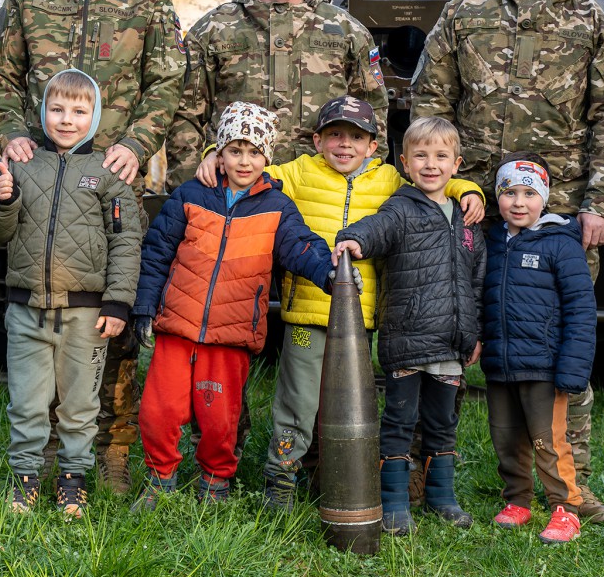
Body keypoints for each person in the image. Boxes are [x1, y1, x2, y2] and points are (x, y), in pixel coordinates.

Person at [411, 0, 604, 522]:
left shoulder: (594, 25)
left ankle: (571, 485)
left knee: (560, 348)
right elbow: (430, 103)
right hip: (469, 211)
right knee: (443, 338)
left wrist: (600, 202)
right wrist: (445, 186)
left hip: (556, 220)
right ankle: (429, 469)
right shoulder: (465, 14)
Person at [0, 0, 185, 494]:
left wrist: (137, 144)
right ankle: (39, 451)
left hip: (112, 174)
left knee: (107, 316)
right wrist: (12, 133)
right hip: (40, 172)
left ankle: (109, 446)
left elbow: (167, 80)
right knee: (40, 305)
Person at [190, 96, 484, 510]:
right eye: (335, 135)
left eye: (356, 137)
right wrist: (212, 154)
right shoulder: (298, 172)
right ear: (317, 140)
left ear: (373, 147)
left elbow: (433, 183)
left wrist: (467, 188)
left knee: (349, 407)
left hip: (359, 320)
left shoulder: (388, 180)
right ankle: (281, 477)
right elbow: (248, 166)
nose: (345, 144)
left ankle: (339, 476)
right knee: (297, 402)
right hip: (307, 313)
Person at [130, 101, 333, 510]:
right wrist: (145, 306)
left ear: (267, 158)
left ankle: (215, 481)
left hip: (232, 332)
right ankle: (160, 478)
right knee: (159, 410)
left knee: (220, 418)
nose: (244, 161)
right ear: (219, 153)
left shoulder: (277, 207)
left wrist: (331, 273)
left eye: (254, 152)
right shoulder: (191, 195)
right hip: (177, 326)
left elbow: (301, 247)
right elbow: (157, 253)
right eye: (235, 150)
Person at [0, 69, 142, 518]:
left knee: (79, 405)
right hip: (27, 310)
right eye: (57, 109)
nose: (67, 120)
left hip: (86, 316)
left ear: (95, 117)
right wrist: (3, 201)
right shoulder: (23, 165)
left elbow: (126, 241)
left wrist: (117, 303)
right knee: (27, 403)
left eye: (78, 111)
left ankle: (73, 480)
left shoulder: (108, 173)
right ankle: (26, 478)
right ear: (43, 113)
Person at [333, 117, 485, 535]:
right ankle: (395, 502)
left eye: (441, 156)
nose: (430, 164)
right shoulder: (400, 208)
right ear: (405, 162)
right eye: (420, 156)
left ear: (456, 164)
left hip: (451, 343)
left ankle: (442, 497)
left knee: (443, 424)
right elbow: (376, 228)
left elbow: (477, 282)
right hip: (407, 339)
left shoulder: (467, 220)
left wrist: (476, 333)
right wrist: (354, 238)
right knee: (399, 423)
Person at [166, 0, 389, 189]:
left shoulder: (347, 31)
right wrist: (190, 192)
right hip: (233, 192)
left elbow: (373, 113)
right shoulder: (214, 29)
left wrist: (362, 189)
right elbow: (185, 115)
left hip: (321, 194)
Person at [483, 154, 596, 544]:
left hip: (545, 365)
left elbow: (581, 308)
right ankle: (518, 500)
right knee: (506, 438)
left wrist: (573, 368)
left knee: (548, 441)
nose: (519, 202)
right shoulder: (494, 241)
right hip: (501, 362)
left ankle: (566, 509)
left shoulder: (560, 244)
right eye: (509, 193)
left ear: (544, 198)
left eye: (529, 194)